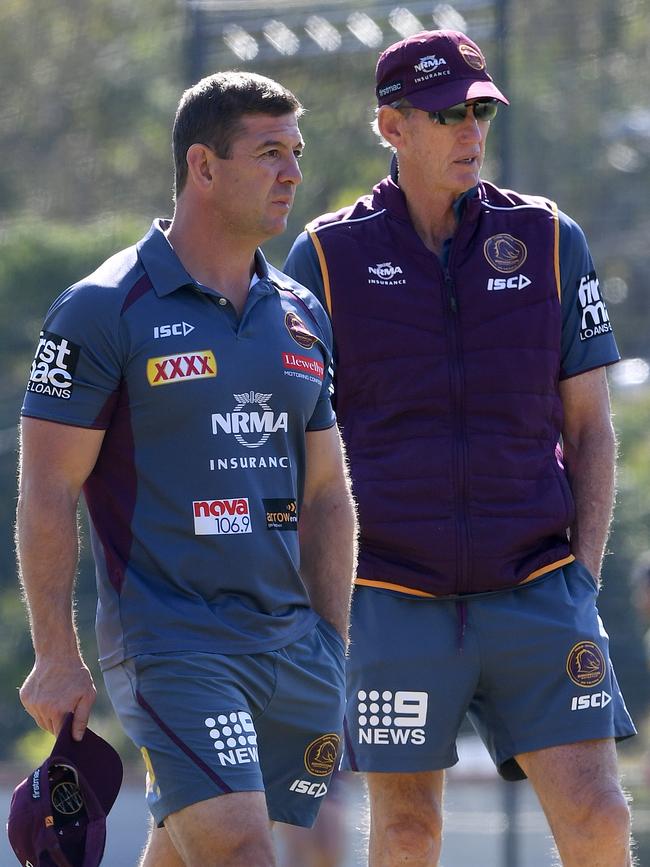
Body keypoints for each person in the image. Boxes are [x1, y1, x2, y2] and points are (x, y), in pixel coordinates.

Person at [284, 29, 636, 867]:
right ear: (392, 127)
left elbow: (589, 429)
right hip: (390, 598)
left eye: (480, 109)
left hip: (538, 589)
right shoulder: (325, 259)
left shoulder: (551, 239)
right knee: (407, 835)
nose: (471, 130)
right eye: (447, 114)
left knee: (600, 815)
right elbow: (299, 446)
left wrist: (581, 577)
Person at [16, 71, 357, 867]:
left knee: (212, 849)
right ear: (202, 167)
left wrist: (334, 640)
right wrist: (56, 651)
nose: (293, 174)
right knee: (241, 849)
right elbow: (47, 487)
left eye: (296, 152)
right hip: (172, 646)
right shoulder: (102, 308)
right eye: (269, 152)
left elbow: (327, 492)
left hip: (292, 647)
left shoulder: (304, 315)